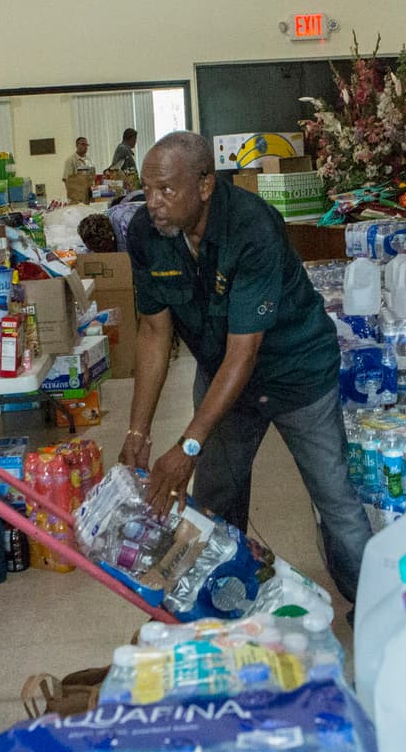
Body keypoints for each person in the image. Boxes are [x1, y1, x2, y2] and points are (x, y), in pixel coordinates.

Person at [120, 131, 372, 602]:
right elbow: (154, 332)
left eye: (166, 190)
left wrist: (189, 443)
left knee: (334, 499)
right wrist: (138, 432)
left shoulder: (253, 226)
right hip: (224, 381)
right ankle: (222, 609)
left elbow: (245, 351)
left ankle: (376, 608)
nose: (153, 203)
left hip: (297, 373)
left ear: (205, 185)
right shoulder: (146, 235)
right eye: (148, 189)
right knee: (215, 503)